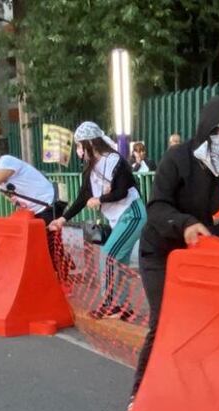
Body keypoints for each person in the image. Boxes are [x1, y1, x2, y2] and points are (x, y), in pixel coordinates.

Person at [130, 96, 219, 403]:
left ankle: (191, 389)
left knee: (205, 322)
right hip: (160, 251)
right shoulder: (178, 158)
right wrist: (184, 224)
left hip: (198, 257)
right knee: (163, 320)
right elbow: (156, 207)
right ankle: (140, 395)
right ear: (207, 128)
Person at [50, 122, 147, 320]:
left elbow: (122, 191)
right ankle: (123, 307)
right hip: (120, 219)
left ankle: (111, 304)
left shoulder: (114, 161)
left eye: (79, 145)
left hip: (132, 214)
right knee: (119, 263)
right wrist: (62, 219)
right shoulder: (90, 169)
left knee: (108, 256)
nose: (78, 150)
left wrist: (100, 199)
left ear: (91, 143)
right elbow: (82, 198)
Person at [0, 149, 68, 276]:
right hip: (31, 212)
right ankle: (52, 272)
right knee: (34, 245)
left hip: (47, 205)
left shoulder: (6, 162)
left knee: (49, 245)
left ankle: (62, 277)